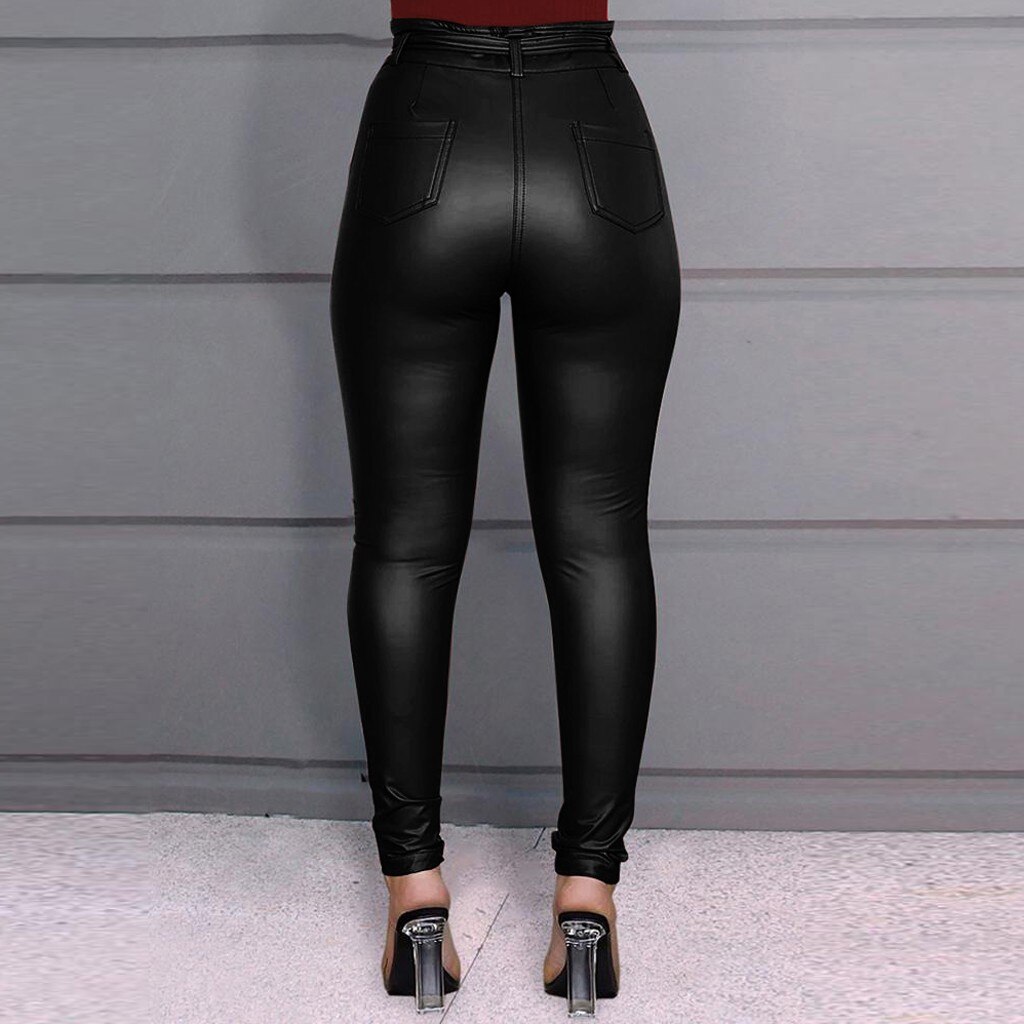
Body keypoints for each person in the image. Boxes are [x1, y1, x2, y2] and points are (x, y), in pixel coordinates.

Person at [329, 2, 680, 1013]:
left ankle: (415, 898)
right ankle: (587, 900)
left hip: (424, 137)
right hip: (593, 139)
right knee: (601, 538)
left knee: (402, 546)